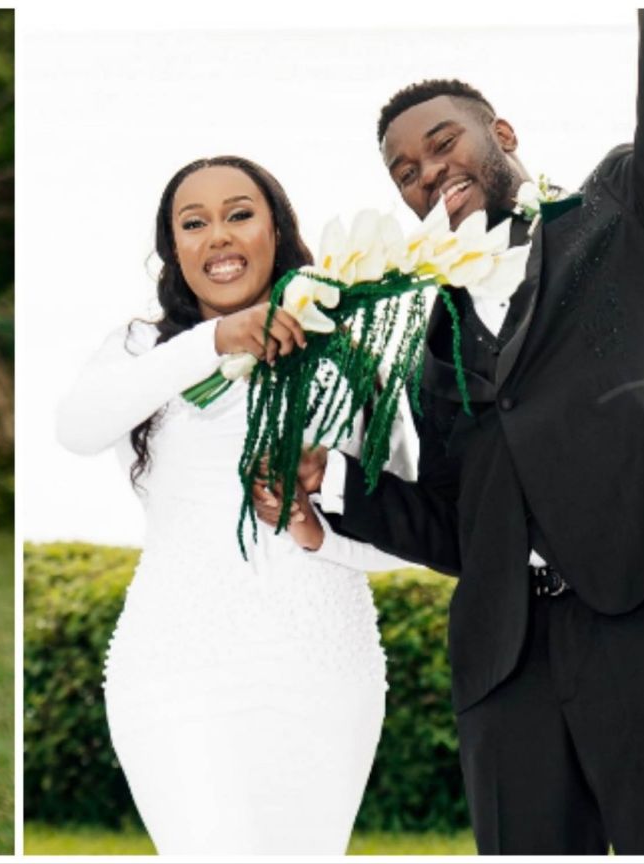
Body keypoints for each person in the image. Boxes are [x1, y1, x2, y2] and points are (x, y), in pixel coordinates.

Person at [291, 9, 644, 854]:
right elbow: (457, 523)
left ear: (501, 132)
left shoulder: (624, 213)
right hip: (506, 658)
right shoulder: (427, 328)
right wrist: (332, 484)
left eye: (443, 144)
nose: (429, 174)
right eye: (405, 171)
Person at [55, 156, 419, 854]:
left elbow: (411, 529)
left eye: (239, 214)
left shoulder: (351, 353)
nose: (218, 236)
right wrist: (216, 339)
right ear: (174, 250)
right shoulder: (143, 349)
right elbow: (76, 428)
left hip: (324, 666)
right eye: (193, 224)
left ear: (277, 228)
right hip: (178, 667)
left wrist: (320, 523)